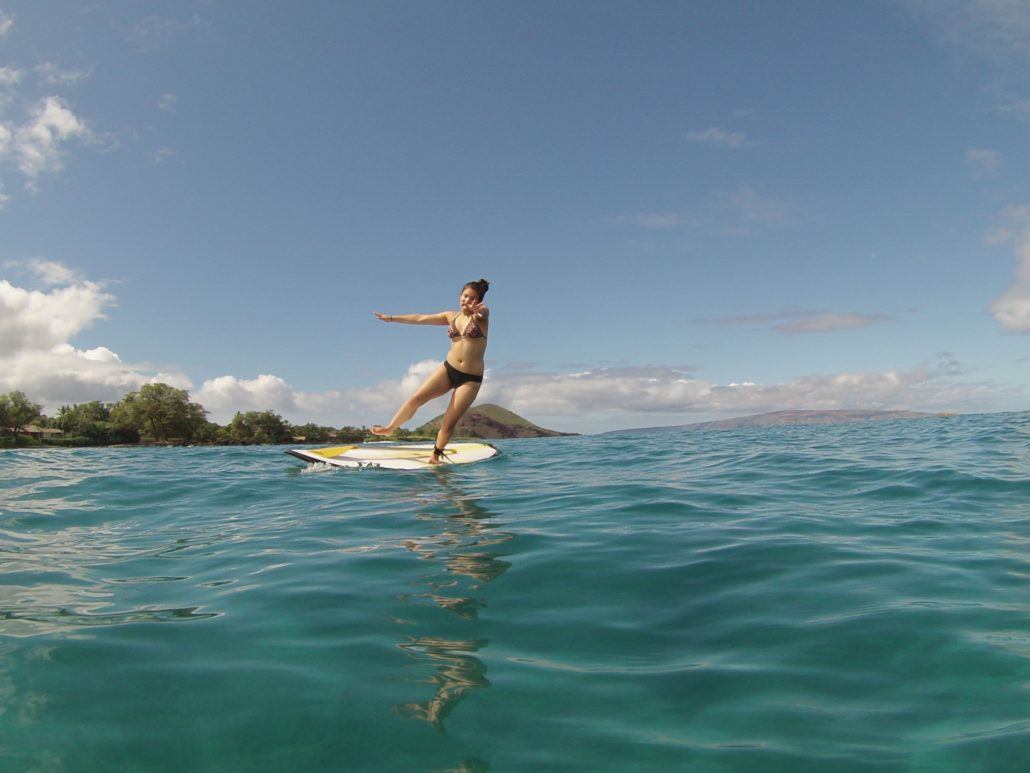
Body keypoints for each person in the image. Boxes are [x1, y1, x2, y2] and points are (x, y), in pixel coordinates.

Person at [372, 279, 490, 464]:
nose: (467, 300)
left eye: (472, 298)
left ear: (479, 301)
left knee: (448, 421)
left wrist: (480, 311)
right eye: (465, 296)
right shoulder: (450, 317)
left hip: (470, 379)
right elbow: (420, 318)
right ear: (459, 296)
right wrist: (392, 318)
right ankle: (390, 428)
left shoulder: (481, 318)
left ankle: (435, 455)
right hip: (448, 369)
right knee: (415, 399)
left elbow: (484, 313)